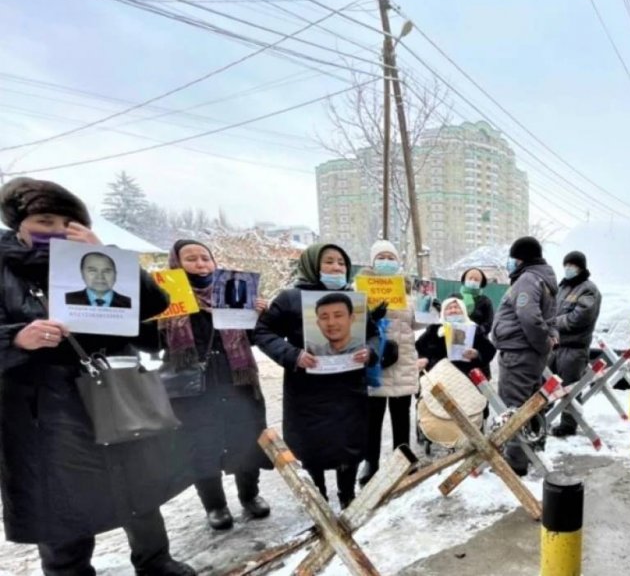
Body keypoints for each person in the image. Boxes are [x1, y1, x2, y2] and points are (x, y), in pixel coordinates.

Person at [0, 177, 195, 575]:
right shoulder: (4, 269)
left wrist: (107, 254)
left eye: (67, 223)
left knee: (137, 480)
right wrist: (16, 338)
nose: (57, 231)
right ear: (18, 223)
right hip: (43, 408)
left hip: (113, 387)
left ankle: (155, 560)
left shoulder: (97, 259)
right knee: (59, 502)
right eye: (45, 221)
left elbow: (155, 303)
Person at [139, 240, 272, 532]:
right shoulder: (165, 299)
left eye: (205, 258)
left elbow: (251, 339)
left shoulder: (232, 293)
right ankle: (215, 506)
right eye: (191, 259)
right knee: (201, 446)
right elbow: (149, 345)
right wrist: (152, 316)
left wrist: (258, 315)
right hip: (190, 390)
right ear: (177, 264)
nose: (200, 264)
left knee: (246, 439)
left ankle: (250, 495)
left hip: (237, 382)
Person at [255, 243, 378, 508]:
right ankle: (318, 498)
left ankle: (348, 496)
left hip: (348, 390)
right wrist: (293, 355)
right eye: (329, 262)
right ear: (312, 265)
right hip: (307, 393)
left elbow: (373, 334)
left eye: (341, 263)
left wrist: (370, 351)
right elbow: (263, 332)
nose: (336, 268)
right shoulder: (290, 299)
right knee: (312, 449)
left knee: (350, 446)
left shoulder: (354, 299)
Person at [491, 236, 558, 476]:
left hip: (519, 354)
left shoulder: (529, 278)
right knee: (532, 403)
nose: (510, 263)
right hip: (529, 354)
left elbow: (529, 316)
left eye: (513, 258)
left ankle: (516, 460)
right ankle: (534, 448)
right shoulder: (544, 278)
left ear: (521, 258)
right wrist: (546, 342)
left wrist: (543, 344)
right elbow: (550, 319)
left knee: (514, 408)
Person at [356, 240, 419, 486]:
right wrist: (370, 317)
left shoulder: (406, 292)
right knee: (372, 418)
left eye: (390, 258)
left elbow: (416, 323)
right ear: (372, 262)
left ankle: (402, 460)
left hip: (402, 360)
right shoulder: (360, 289)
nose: (386, 262)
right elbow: (351, 322)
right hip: (374, 361)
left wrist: (429, 309)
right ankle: (370, 461)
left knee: (401, 415)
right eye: (381, 257)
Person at [548, 251, 602, 437]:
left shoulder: (588, 290)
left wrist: (552, 322)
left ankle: (568, 426)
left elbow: (578, 318)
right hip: (555, 346)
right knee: (545, 386)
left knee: (570, 390)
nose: (568, 268)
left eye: (573, 265)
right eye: (566, 264)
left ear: (581, 267)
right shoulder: (562, 287)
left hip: (574, 349)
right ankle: (541, 419)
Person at [415, 296, 496, 377]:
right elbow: (418, 347)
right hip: (438, 376)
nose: (453, 310)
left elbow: (489, 350)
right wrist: (423, 358)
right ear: (443, 312)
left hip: (466, 377)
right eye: (449, 308)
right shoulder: (435, 329)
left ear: (463, 311)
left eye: (457, 307)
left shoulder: (473, 329)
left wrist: (477, 354)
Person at [64, 251, 133, 308]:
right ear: (82, 274)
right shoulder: (67, 300)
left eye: (106, 271)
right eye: (92, 271)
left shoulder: (130, 303)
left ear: (115, 275)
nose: (100, 277)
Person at [459, 268, 494, 335]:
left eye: (476, 280)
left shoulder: (485, 301)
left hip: (478, 338)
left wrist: (477, 330)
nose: (473, 281)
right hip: (456, 336)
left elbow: (489, 323)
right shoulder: (455, 297)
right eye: (470, 278)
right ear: (464, 280)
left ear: (480, 283)